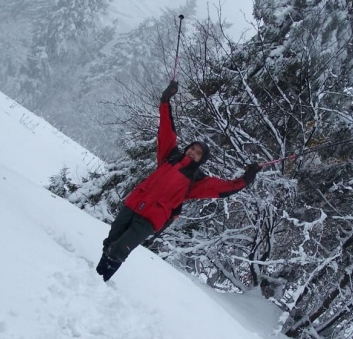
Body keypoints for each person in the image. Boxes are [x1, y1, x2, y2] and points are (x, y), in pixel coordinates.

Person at [96, 80, 261, 282]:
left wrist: (247, 178)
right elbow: (167, 129)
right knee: (112, 239)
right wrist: (166, 100)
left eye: (198, 153)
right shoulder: (169, 157)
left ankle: (101, 281)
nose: (193, 152)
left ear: (202, 160)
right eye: (192, 148)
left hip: (150, 219)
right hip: (133, 204)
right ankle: (94, 275)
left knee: (121, 248)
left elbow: (223, 189)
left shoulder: (196, 180)